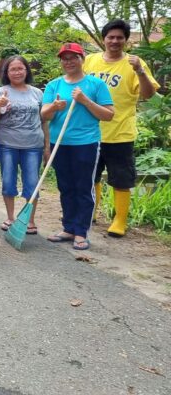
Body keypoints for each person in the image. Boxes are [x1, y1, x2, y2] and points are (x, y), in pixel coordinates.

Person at [83, 19, 159, 237]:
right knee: (91, 177)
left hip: (121, 133)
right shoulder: (90, 61)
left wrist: (140, 72)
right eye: (111, 37)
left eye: (119, 38)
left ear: (126, 41)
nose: (114, 41)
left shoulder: (135, 63)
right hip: (90, 132)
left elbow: (148, 94)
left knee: (121, 179)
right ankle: (91, 213)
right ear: (103, 39)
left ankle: (119, 220)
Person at [42, 43, 114, 250]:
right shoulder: (54, 85)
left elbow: (108, 115)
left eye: (73, 57)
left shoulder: (95, 85)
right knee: (65, 186)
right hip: (59, 143)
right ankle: (68, 227)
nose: (69, 62)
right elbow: (43, 115)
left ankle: (81, 232)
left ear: (82, 59)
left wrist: (85, 101)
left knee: (83, 187)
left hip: (86, 143)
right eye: (64, 58)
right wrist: (53, 108)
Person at [0, 56, 49, 234]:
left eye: (20, 68)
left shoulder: (37, 93)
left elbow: (44, 121)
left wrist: (47, 146)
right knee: (8, 180)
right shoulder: (0, 91)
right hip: (7, 143)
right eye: (12, 69)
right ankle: (10, 217)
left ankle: (29, 220)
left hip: (33, 145)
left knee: (32, 182)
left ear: (26, 71)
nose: (17, 72)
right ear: (7, 73)